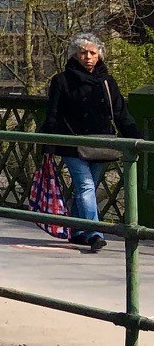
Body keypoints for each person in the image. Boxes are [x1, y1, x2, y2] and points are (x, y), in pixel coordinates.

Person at [40, 33, 139, 253]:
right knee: (85, 187)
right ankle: (95, 232)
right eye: (83, 52)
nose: (88, 57)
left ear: (100, 55)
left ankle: (77, 231)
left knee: (88, 188)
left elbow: (121, 112)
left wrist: (137, 139)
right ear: (75, 55)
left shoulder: (107, 81)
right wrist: (47, 144)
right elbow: (53, 114)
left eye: (92, 53)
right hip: (72, 143)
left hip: (102, 143)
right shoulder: (62, 80)